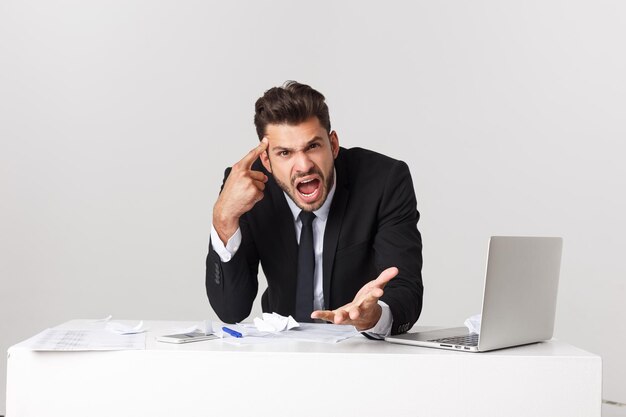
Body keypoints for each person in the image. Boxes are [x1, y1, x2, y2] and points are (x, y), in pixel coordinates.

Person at [206, 81, 423, 337]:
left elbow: (406, 290)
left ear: (333, 144)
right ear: (266, 160)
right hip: (282, 352)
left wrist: (373, 317)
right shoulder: (247, 189)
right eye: (285, 153)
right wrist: (223, 218)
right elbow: (231, 310)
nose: (303, 166)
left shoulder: (384, 181)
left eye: (312, 146)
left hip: (360, 349)